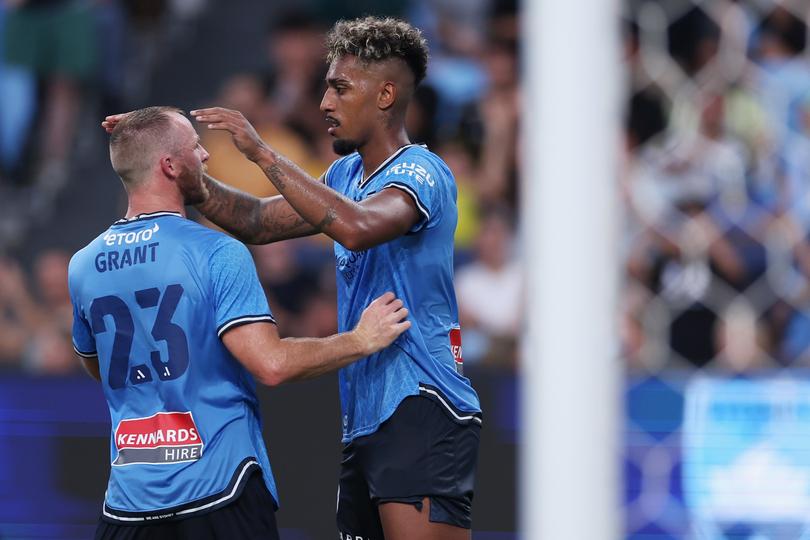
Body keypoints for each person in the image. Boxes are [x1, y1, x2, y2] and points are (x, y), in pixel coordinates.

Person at [143, 16, 481, 540]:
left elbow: (357, 228)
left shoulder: (422, 171)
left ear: (386, 94)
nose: (324, 102)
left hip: (422, 402)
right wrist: (180, 175)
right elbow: (257, 221)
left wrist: (262, 154)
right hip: (365, 414)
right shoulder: (345, 176)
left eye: (340, 87)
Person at [77, 106, 410, 539]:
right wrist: (360, 340)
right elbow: (271, 364)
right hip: (218, 491)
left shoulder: (83, 265)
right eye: (195, 147)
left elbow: (98, 365)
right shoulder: (217, 253)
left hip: (127, 504)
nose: (206, 156)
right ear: (170, 166)